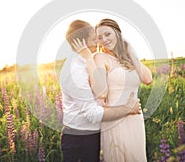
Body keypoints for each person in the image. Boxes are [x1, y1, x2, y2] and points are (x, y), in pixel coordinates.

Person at [59, 20, 142, 162]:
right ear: (82, 43)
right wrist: (128, 108)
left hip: (94, 134)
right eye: (94, 38)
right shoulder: (75, 72)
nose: (99, 41)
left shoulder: (89, 60)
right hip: (79, 139)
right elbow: (92, 114)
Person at [92, 18, 153, 162]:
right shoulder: (100, 57)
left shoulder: (129, 58)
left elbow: (147, 79)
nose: (104, 40)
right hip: (116, 120)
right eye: (99, 37)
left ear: (118, 33)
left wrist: (130, 52)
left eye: (108, 34)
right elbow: (101, 93)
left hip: (135, 120)